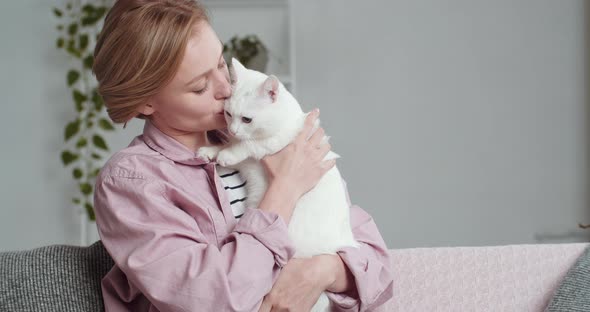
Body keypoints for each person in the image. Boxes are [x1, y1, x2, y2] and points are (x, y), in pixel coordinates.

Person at [91, 0, 393, 311]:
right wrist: (285, 189)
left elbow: (378, 266)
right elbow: (216, 299)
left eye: (221, 64)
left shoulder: (268, 136)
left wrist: (320, 271)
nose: (226, 89)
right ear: (146, 103)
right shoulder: (133, 183)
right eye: (199, 87)